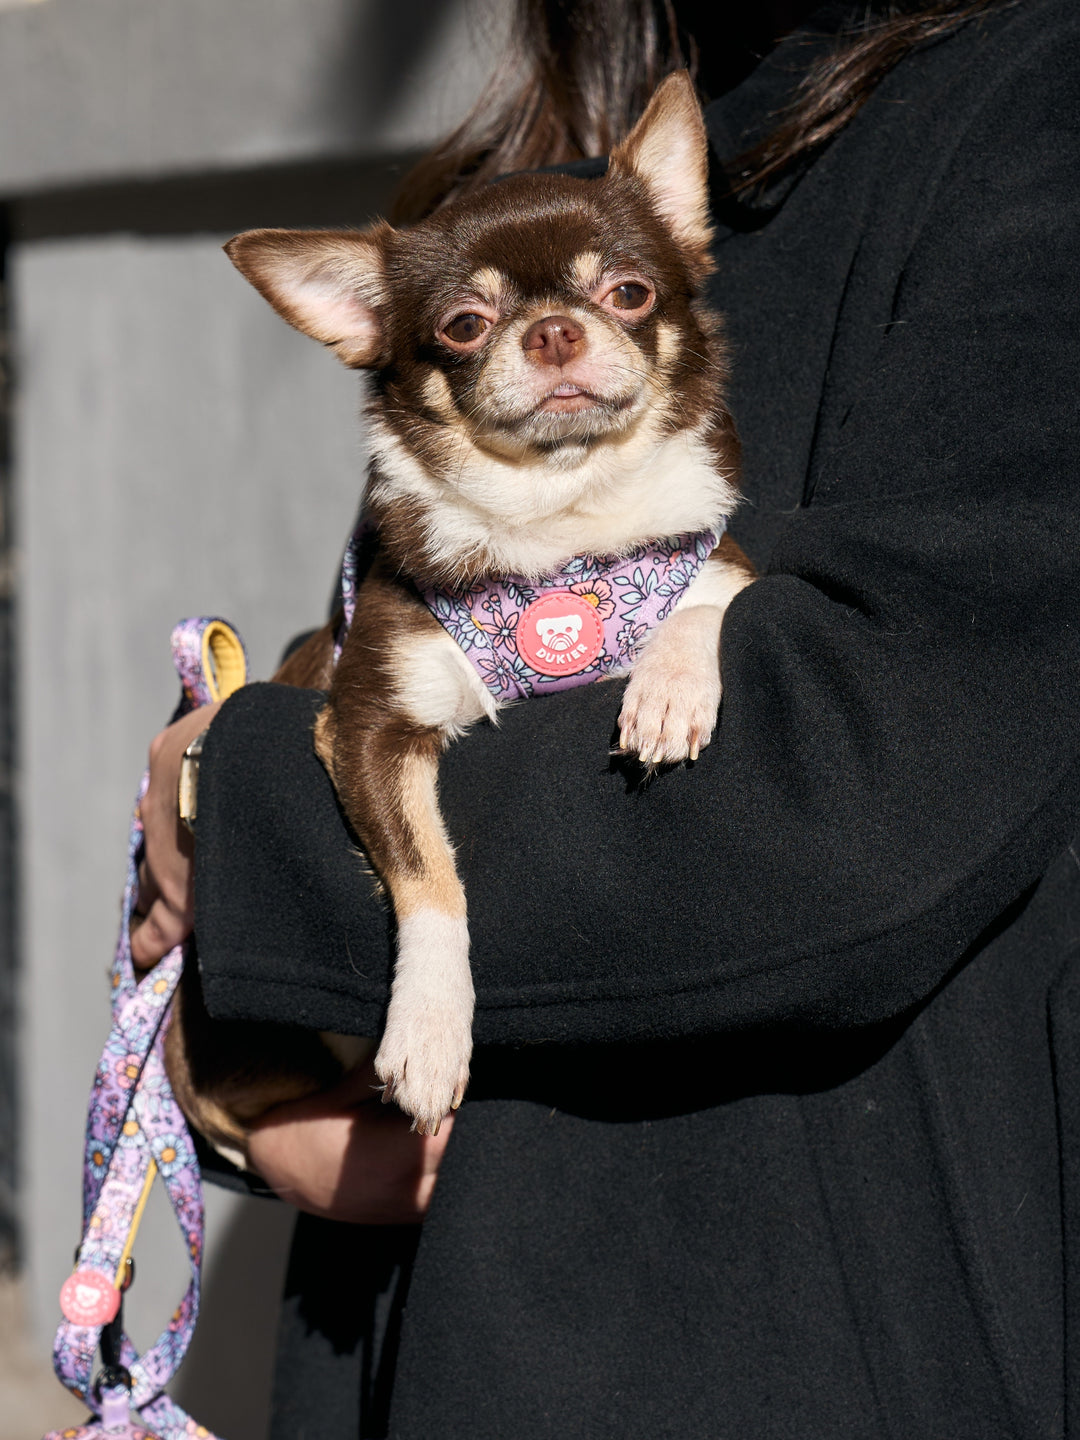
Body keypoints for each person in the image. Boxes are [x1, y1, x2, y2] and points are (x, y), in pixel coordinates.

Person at [131, 0, 1080, 1434]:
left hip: (791, 1336)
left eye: (615, 300)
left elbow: (852, 788)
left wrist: (240, 808)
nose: (553, 339)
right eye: (477, 326)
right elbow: (402, 680)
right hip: (426, 1322)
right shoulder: (527, 185)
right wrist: (253, 1105)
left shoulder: (1031, 105)